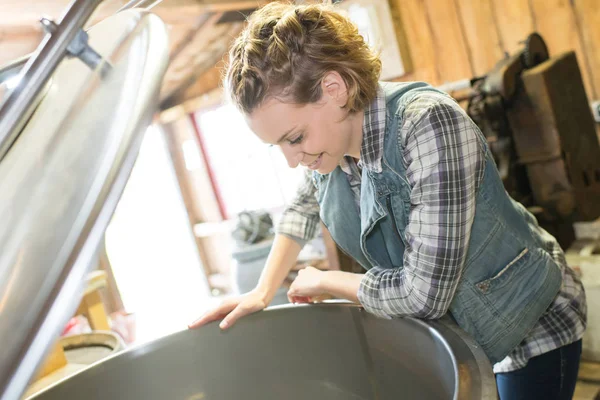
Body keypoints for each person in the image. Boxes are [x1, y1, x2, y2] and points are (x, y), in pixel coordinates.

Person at [189, 2, 586, 399]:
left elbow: (422, 294)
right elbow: (302, 209)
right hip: (467, 336)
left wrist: (328, 280)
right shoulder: (332, 144)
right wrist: (262, 291)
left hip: (531, 327)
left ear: (334, 88)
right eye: (278, 146)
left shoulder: (428, 125)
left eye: (294, 139)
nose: (293, 160)